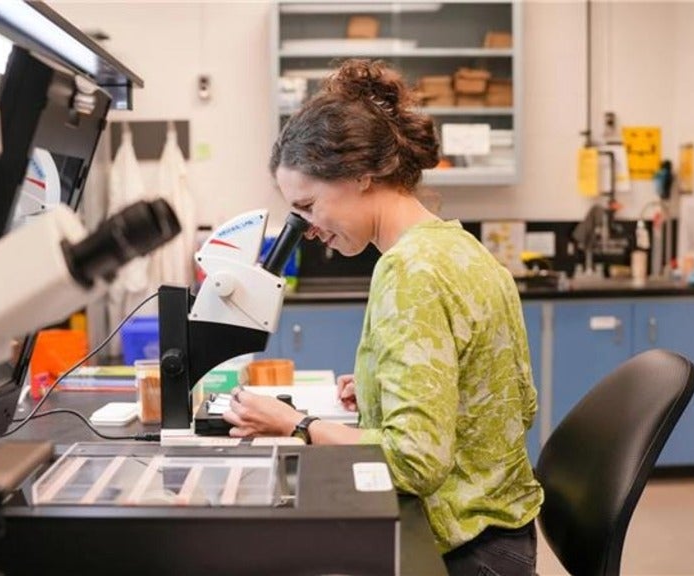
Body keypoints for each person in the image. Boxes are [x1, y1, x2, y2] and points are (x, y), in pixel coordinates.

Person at [221, 59, 543, 576]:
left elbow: (414, 463)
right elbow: (501, 397)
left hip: (461, 550)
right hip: (503, 534)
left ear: (361, 176)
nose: (305, 229)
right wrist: (380, 387)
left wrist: (297, 424)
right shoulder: (459, 247)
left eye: (307, 206)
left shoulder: (408, 270)